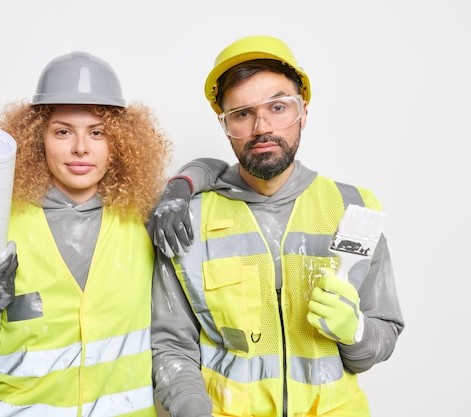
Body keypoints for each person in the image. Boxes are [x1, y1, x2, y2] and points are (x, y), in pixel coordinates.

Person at [150, 35, 405, 417]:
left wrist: (357, 332)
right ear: (225, 126)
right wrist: (190, 408)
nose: (262, 126)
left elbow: (382, 336)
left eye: (278, 107)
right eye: (242, 113)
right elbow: (170, 345)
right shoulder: (188, 220)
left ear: (304, 112)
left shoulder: (353, 209)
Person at [0, 51, 173, 417]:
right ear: (38, 138)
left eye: (97, 132)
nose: (80, 148)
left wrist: (187, 182)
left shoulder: (144, 220)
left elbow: (226, 175)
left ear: (119, 142)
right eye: (63, 131)